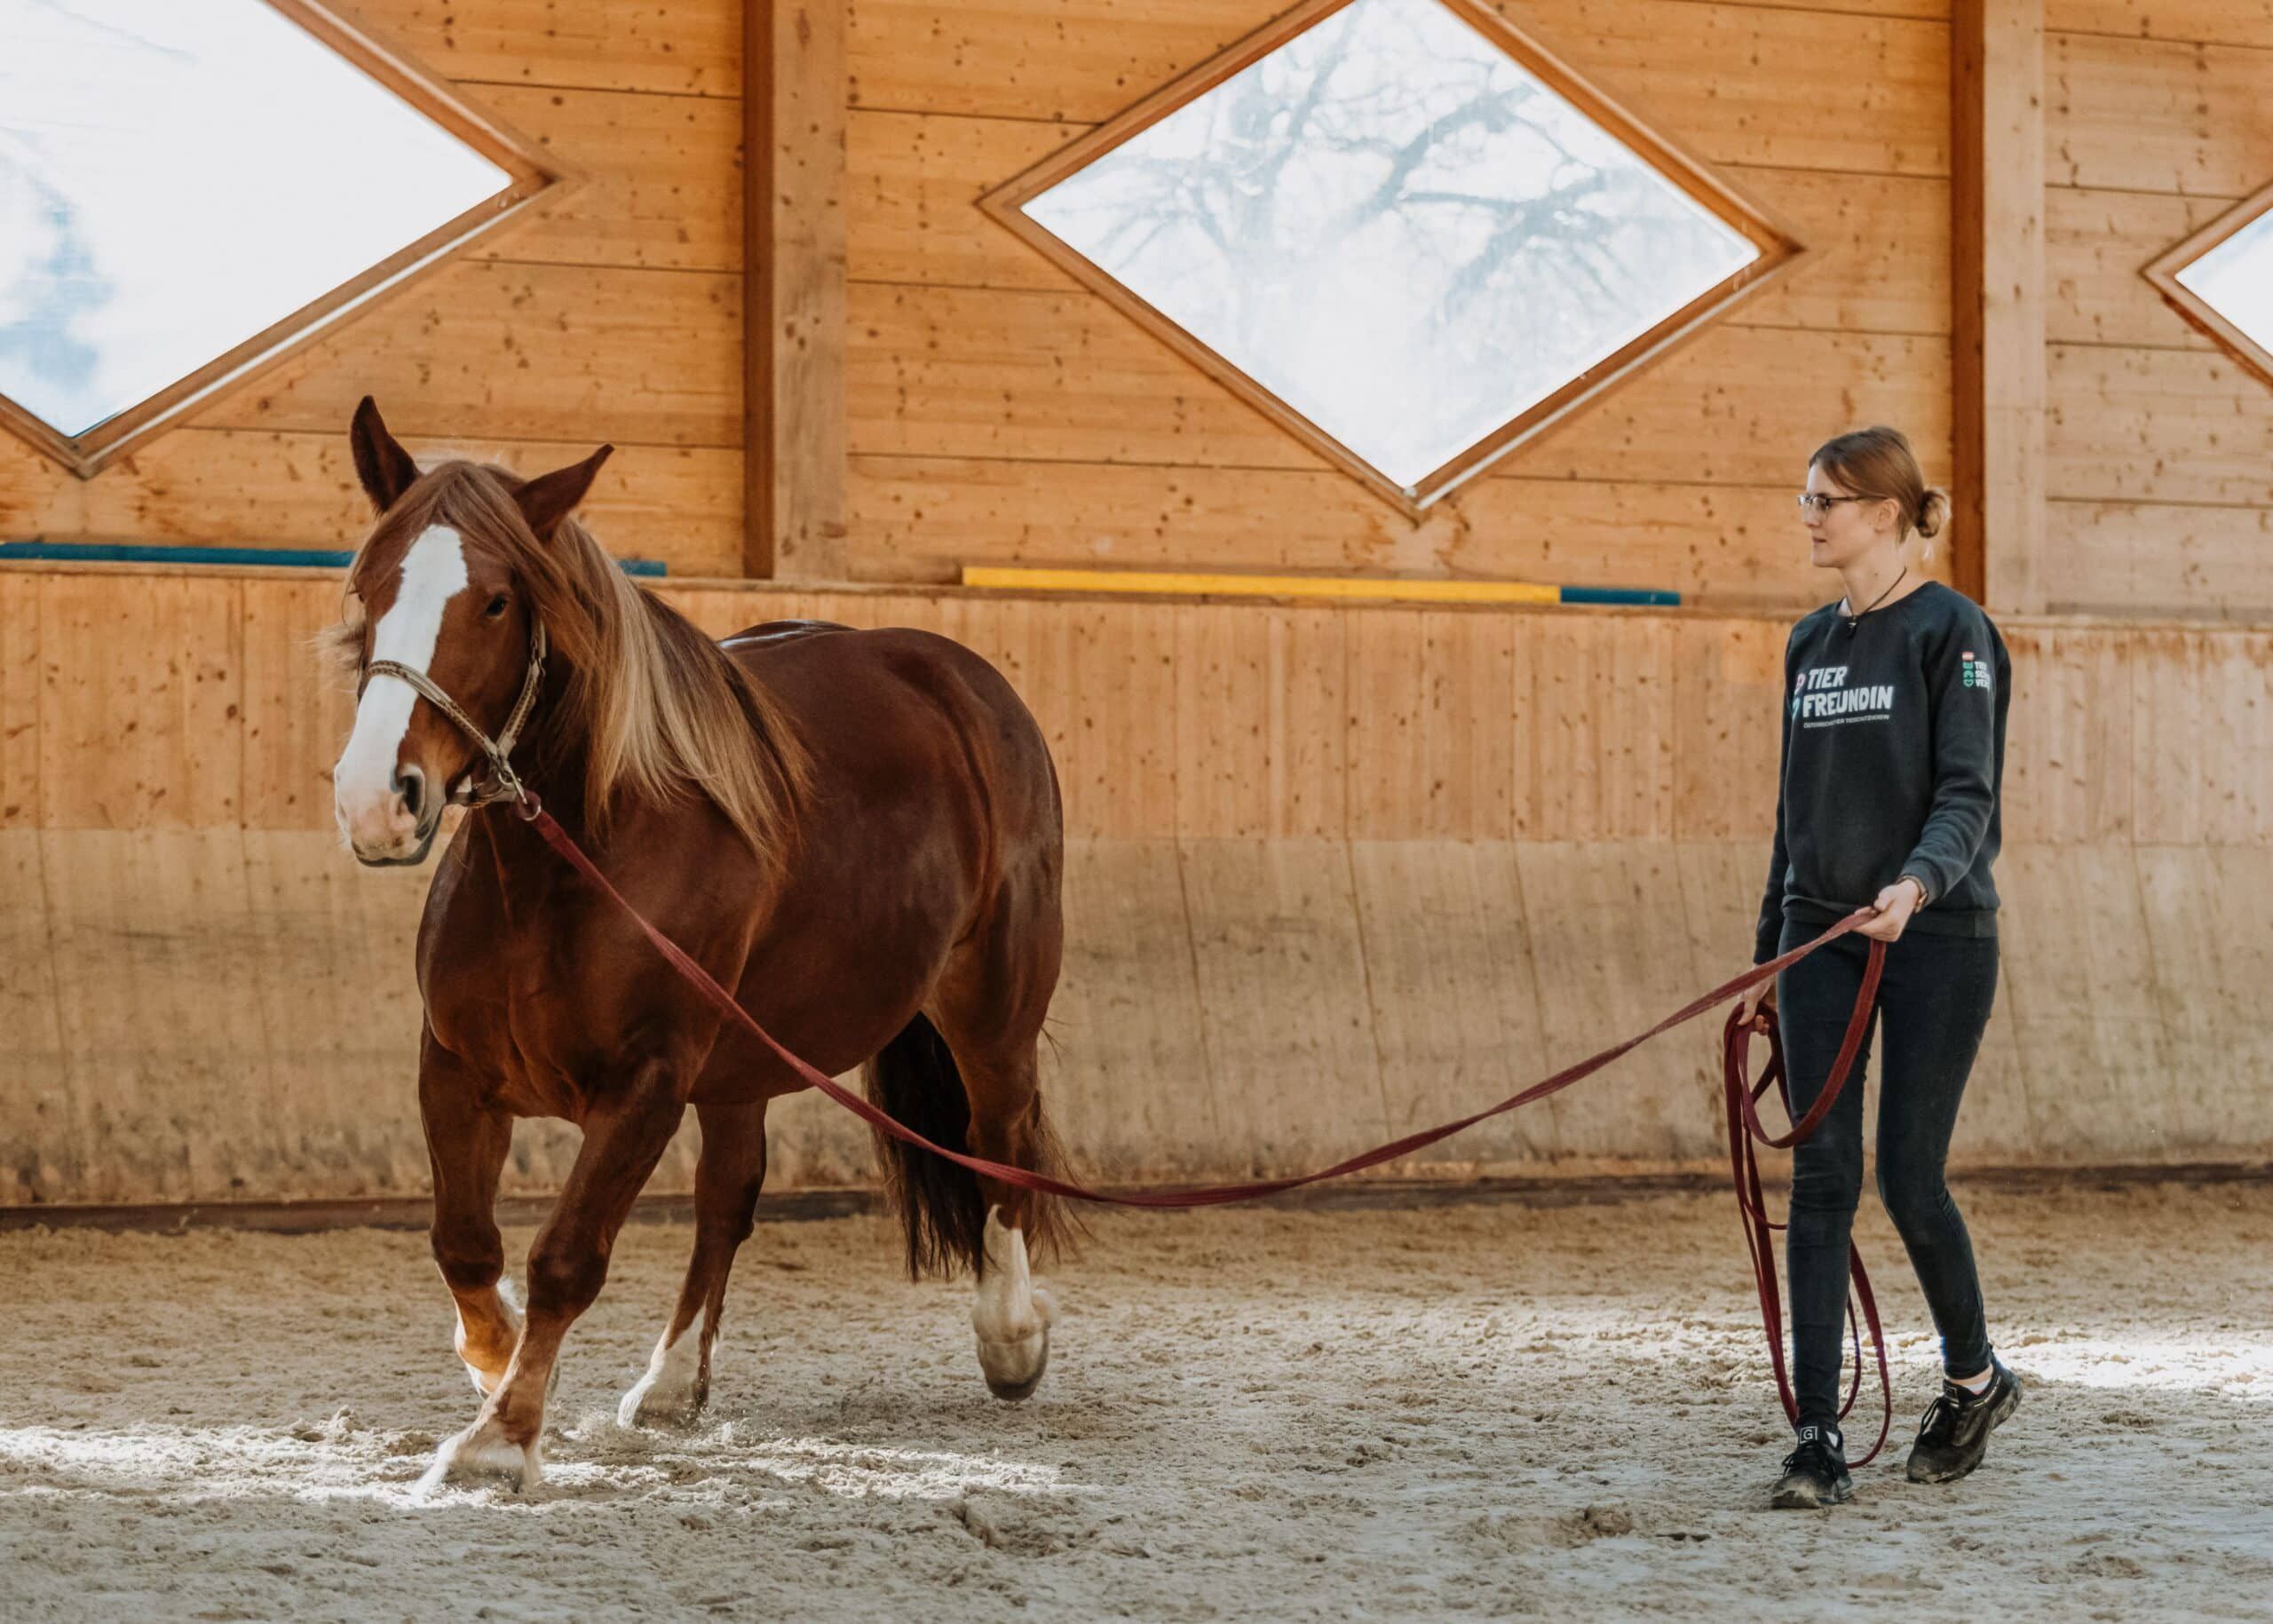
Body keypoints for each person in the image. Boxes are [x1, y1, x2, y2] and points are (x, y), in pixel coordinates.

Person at [1733, 426, 2019, 1509]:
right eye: (1805, 496)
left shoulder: (1953, 632)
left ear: (1887, 513)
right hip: (1822, 938)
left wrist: (1919, 881)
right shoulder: (1810, 643)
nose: (1809, 514)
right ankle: (1815, 1434)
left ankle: (1973, 1377)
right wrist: (1771, 954)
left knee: (1908, 1175)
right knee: (1819, 1178)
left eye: (1828, 500)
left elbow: (1966, 790)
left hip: (1935, 937)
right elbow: (1790, 817)